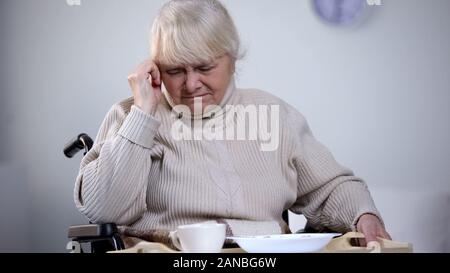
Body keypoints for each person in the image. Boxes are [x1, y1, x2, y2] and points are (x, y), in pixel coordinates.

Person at [74, 0, 391, 247]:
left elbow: (329, 188)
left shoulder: (274, 115)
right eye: (175, 71)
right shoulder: (132, 115)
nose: (191, 84)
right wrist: (143, 115)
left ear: (232, 59)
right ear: (155, 68)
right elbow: (104, 210)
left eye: (204, 67)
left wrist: (362, 214)